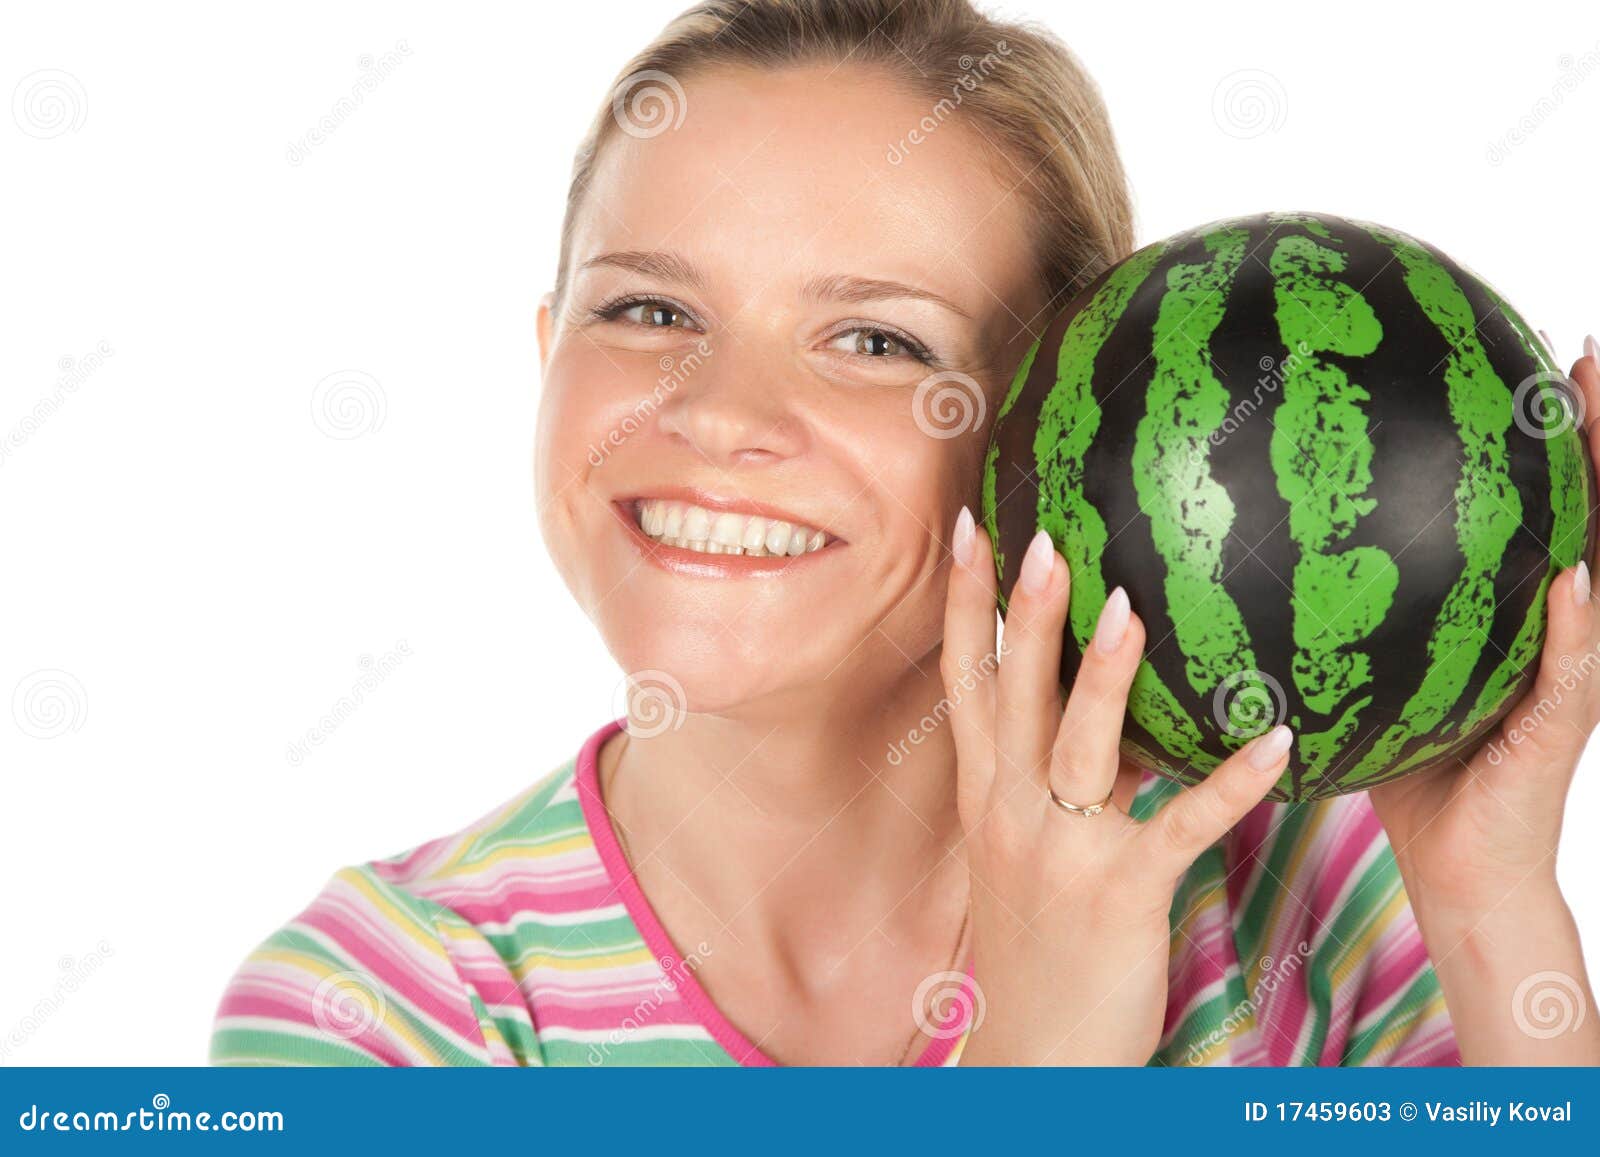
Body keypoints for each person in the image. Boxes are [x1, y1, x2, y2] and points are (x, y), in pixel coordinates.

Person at [211, 0, 1600, 1066]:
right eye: (648, 310)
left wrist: (1484, 891)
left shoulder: (1298, 881)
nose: (722, 412)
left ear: (1045, 439)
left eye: (875, 338)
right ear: (544, 349)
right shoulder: (385, 1004)